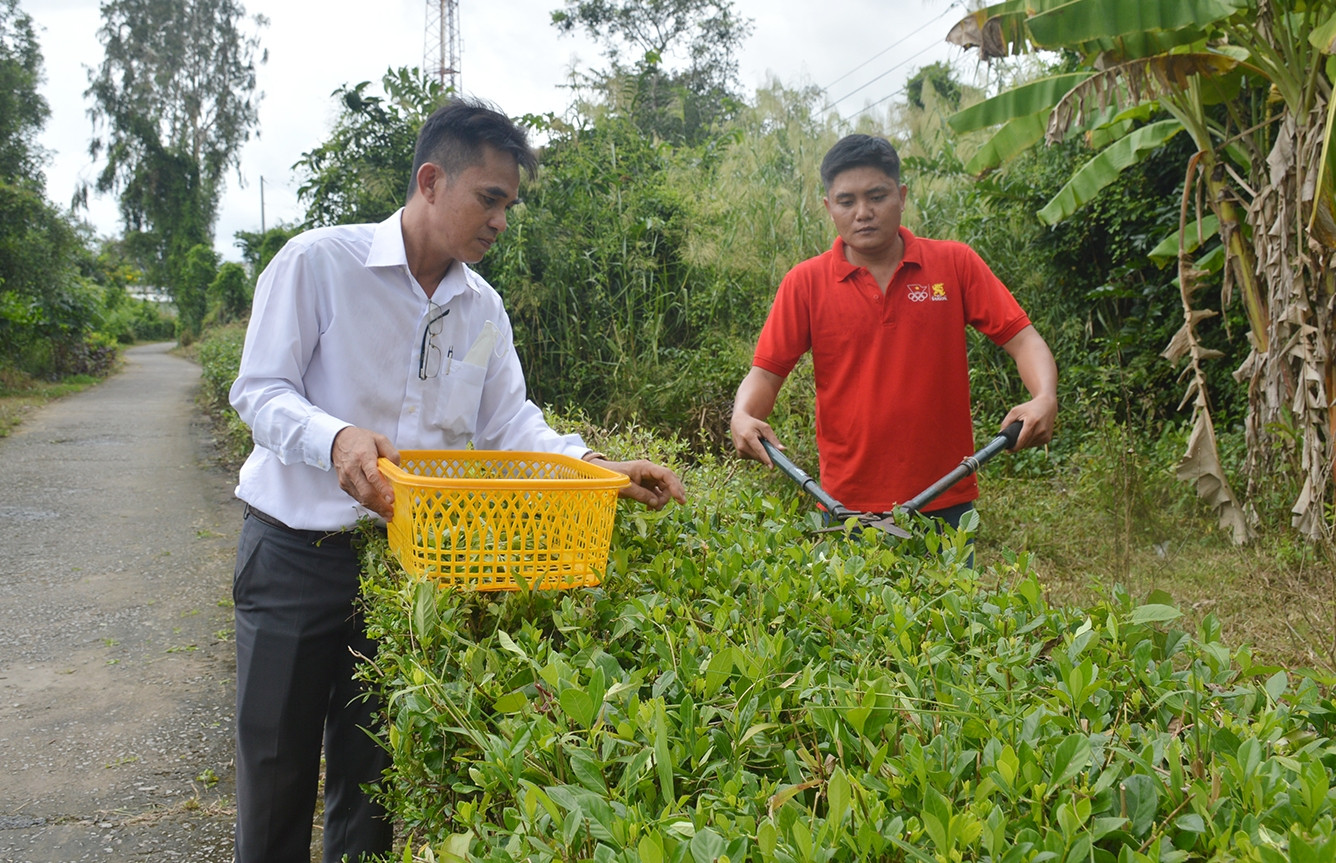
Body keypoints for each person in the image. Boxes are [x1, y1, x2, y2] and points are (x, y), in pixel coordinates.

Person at [228, 97, 685, 863]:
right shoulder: (319, 264)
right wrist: (334, 437)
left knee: (371, 784)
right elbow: (259, 390)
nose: (502, 220)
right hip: (294, 557)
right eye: (491, 198)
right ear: (432, 180)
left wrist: (595, 468)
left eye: (509, 204)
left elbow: (513, 426)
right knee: (275, 771)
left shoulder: (482, 309)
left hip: (407, 566)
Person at [730, 133, 1056, 534]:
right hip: (845, 509)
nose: (863, 212)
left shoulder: (955, 264)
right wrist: (742, 417)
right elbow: (764, 374)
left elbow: (1024, 340)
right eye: (847, 201)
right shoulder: (805, 283)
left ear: (901, 196)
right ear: (828, 207)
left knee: (952, 599)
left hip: (946, 499)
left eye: (877, 196)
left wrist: (1044, 398)